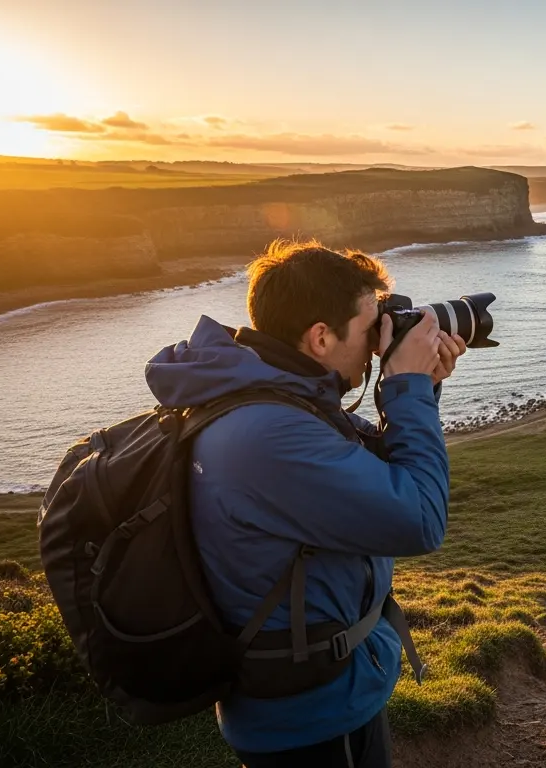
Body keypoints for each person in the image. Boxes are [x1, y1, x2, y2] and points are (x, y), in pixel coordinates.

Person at [144, 240, 466, 767]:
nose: (376, 347)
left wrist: (421, 388)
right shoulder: (269, 432)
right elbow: (420, 519)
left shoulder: (268, 394)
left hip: (320, 688)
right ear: (320, 336)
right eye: (370, 328)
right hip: (310, 717)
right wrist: (404, 383)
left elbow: (376, 469)